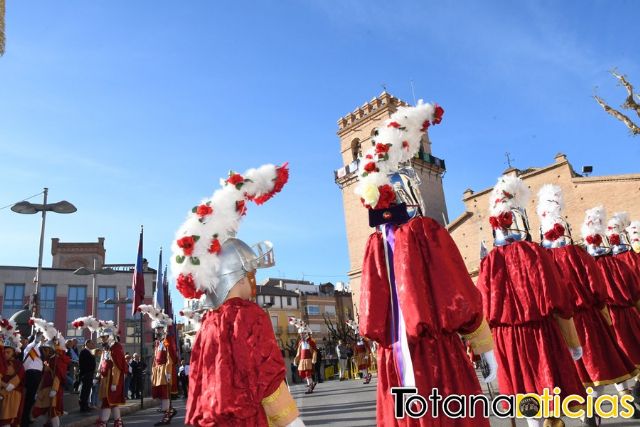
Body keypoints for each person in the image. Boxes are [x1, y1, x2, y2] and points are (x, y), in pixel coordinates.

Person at [356, 102, 496, 426]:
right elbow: (458, 294)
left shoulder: (373, 246)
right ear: (412, 194)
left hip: (395, 365)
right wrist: (483, 346)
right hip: (437, 362)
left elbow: (369, 317)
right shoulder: (426, 233)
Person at [172, 162, 304, 426]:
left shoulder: (207, 323)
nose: (253, 284)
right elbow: (268, 380)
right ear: (239, 275)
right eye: (251, 275)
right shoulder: (248, 315)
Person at [478, 176, 587, 427]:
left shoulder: (488, 262)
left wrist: (486, 350)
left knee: (525, 395)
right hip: (541, 333)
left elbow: (482, 305)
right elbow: (557, 295)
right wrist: (571, 339)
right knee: (546, 390)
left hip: (506, 339)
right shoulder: (535, 252)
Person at [538, 188, 639, 425]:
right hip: (587, 319)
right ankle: (593, 409)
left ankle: (586, 410)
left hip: (558, 324)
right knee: (599, 367)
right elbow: (595, 286)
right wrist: (602, 309)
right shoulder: (577, 255)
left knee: (576, 371)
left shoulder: (541, 258)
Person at [72, 316, 126, 427]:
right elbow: (102, 363)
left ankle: (103, 422)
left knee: (108, 401)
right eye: (101, 337)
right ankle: (118, 422)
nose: (102, 339)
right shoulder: (106, 349)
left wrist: (115, 382)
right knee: (111, 402)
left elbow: (117, 366)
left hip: (112, 379)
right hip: (105, 378)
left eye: (104, 337)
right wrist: (97, 376)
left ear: (110, 336)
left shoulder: (116, 348)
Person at [137, 305, 178, 426]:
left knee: (165, 392)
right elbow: (156, 357)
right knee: (161, 392)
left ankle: (167, 415)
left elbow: (171, 356)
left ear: (164, 328)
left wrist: (169, 371)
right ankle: (169, 410)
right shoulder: (157, 341)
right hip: (158, 369)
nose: (158, 331)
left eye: (160, 329)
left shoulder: (168, 339)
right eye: (157, 329)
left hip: (166, 368)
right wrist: (154, 370)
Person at [30, 318, 70, 427]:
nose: (44, 351)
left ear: (52, 350)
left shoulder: (56, 360)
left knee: (53, 411)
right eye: (44, 350)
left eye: (47, 350)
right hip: (45, 388)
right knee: (43, 409)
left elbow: (58, 376)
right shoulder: (48, 359)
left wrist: (54, 389)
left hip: (53, 388)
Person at [0, 320, 25, 427]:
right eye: (4, 352)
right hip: (2, 395)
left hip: (12, 396)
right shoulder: (1, 363)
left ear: (14, 352)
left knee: (7, 422)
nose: (5, 354)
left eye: (8, 352)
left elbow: (10, 386)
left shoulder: (18, 365)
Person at [20, 330, 43, 427]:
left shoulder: (38, 349)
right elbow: (35, 344)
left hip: (36, 374)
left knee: (31, 399)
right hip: (31, 374)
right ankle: (24, 420)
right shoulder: (30, 347)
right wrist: (37, 339)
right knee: (28, 399)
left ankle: (27, 417)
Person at [292, 321, 317, 395]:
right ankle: (312, 383)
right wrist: (295, 360)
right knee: (302, 373)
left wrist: (314, 359)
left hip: (308, 360)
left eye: (302, 334)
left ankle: (310, 387)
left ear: (306, 333)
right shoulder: (300, 342)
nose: (301, 335)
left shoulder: (311, 342)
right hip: (302, 361)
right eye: (300, 334)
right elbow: (298, 353)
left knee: (307, 374)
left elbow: (315, 351)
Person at [78, 339, 97, 412]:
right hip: (86, 374)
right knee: (84, 390)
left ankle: (86, 405)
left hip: (90, 373)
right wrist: (87, 372)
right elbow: (83, 364)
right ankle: (83, 406)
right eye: (92, 343)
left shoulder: (90, 352)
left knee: (87, 390)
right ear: (87, 344)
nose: (93, 345)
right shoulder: (84, 351)